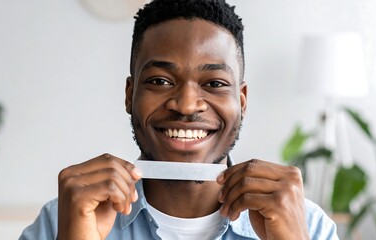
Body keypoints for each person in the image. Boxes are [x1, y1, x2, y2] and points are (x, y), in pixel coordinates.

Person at [20, 0, 338, 239]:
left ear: (241, 102)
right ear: (130, 94)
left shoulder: (310, 227)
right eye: (160, 81)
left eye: (214, 83)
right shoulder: (60, 221)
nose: (186, 106)